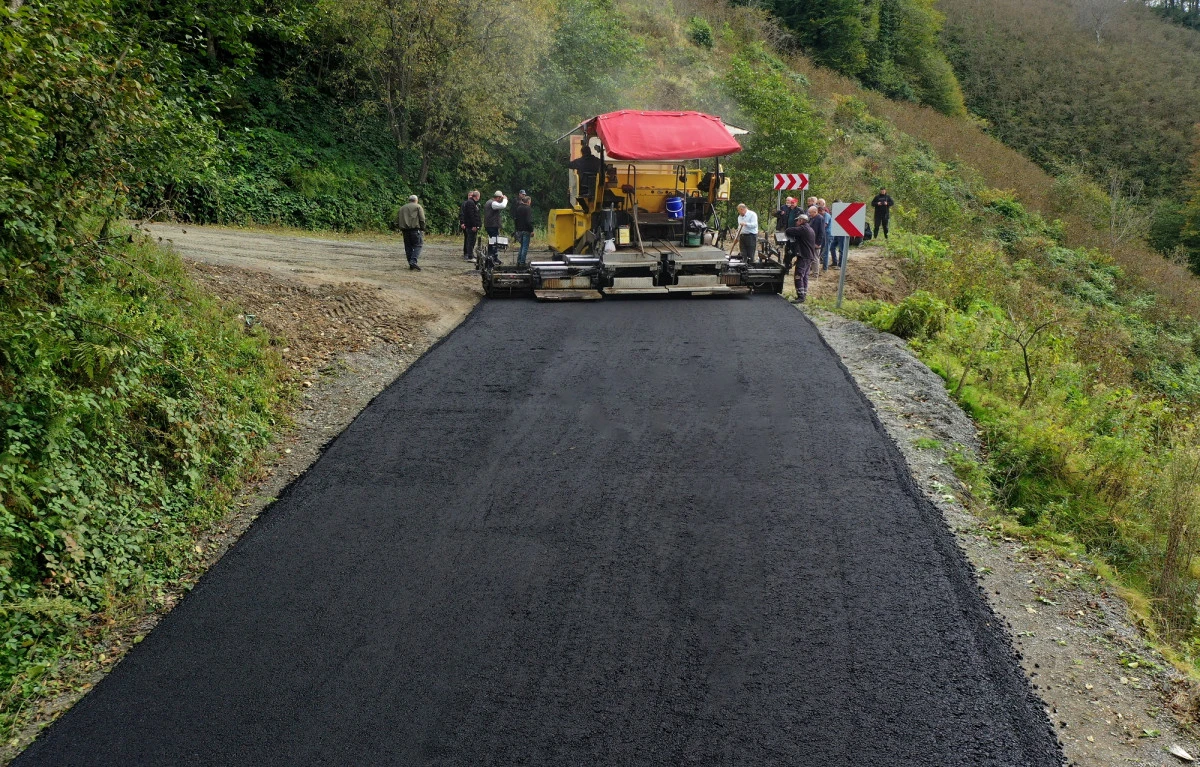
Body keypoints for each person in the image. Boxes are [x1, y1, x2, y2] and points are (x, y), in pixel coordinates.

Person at [785, 213, 817, 302]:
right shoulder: (810, 229)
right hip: (809, 255)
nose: (796, 223)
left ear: (801, 221)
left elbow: (788, 230)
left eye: (797, 221)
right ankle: (803, 294)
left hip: (804, 255)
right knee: (804, 276)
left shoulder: (803, 229)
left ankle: (800, 296)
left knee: (798, 275)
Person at [397, 194, 426, 271]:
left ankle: (411, 263)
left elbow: (398, 219)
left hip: (405, 230)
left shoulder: (402, 208)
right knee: (418, 245)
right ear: (416, 200)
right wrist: (422, 228)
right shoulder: (418, 207)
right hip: (415, 230)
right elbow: (422, 219)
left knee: (408, 247)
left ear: (409, 200)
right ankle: (413, 261)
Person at [484, 190, 508, 262]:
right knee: (494, 242)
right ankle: (494, 258)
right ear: (498, 197)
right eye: (501, 198)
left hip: (489, 225)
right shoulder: (493, 203)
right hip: (492, 226)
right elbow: (503, 206)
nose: (501, 200)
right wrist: (505, 199)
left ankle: (490, 256)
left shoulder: (489, 202)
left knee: (491, 241)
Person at [459, 190, 481, 262]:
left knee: (471, 240)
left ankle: (470, 254)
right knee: (469, 240)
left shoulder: (474, 204)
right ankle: (469, 255)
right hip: (470, 225)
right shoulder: (469, 203)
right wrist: (473, 225)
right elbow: (470, 215)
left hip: (470, 225)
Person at [513, 193, 534, 267]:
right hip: (526, 230)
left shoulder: (518, 208)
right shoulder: (528, 208)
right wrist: (531, 230)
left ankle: (518, 261)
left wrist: (517, 229)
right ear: (528, 201)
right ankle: (522, 262)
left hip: (519, 230)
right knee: (525, 247)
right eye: (530, 201)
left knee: (522, 246)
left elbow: (515, 219)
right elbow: (528, 221)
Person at [807, 205, 826, 274]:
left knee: (815, 258)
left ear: (815, 212)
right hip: (811, 241)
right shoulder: (812, 218)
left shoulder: (820, 218)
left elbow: (821, 231)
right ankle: (810, 271)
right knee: (810, 257)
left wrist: (818, 243)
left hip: (816, 242)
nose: (809, 214)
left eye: (810, 212)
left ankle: (815, 273)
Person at [829, 198, 848, 267]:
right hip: (836, 232)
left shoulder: (845, 212)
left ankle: (840, 265)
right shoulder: (834, 212)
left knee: (841, 249)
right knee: (832, 247)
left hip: (842, 232)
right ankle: (835, 262)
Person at [818, 200, 834, 271]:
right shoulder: (823, 215)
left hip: (828, 235)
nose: (819, 214)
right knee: (822, 250)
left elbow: (824, 225)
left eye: (820, 212)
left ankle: (825, 268)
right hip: (824, 234)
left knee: (826, 251)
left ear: (822, 211)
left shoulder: (826, 215)